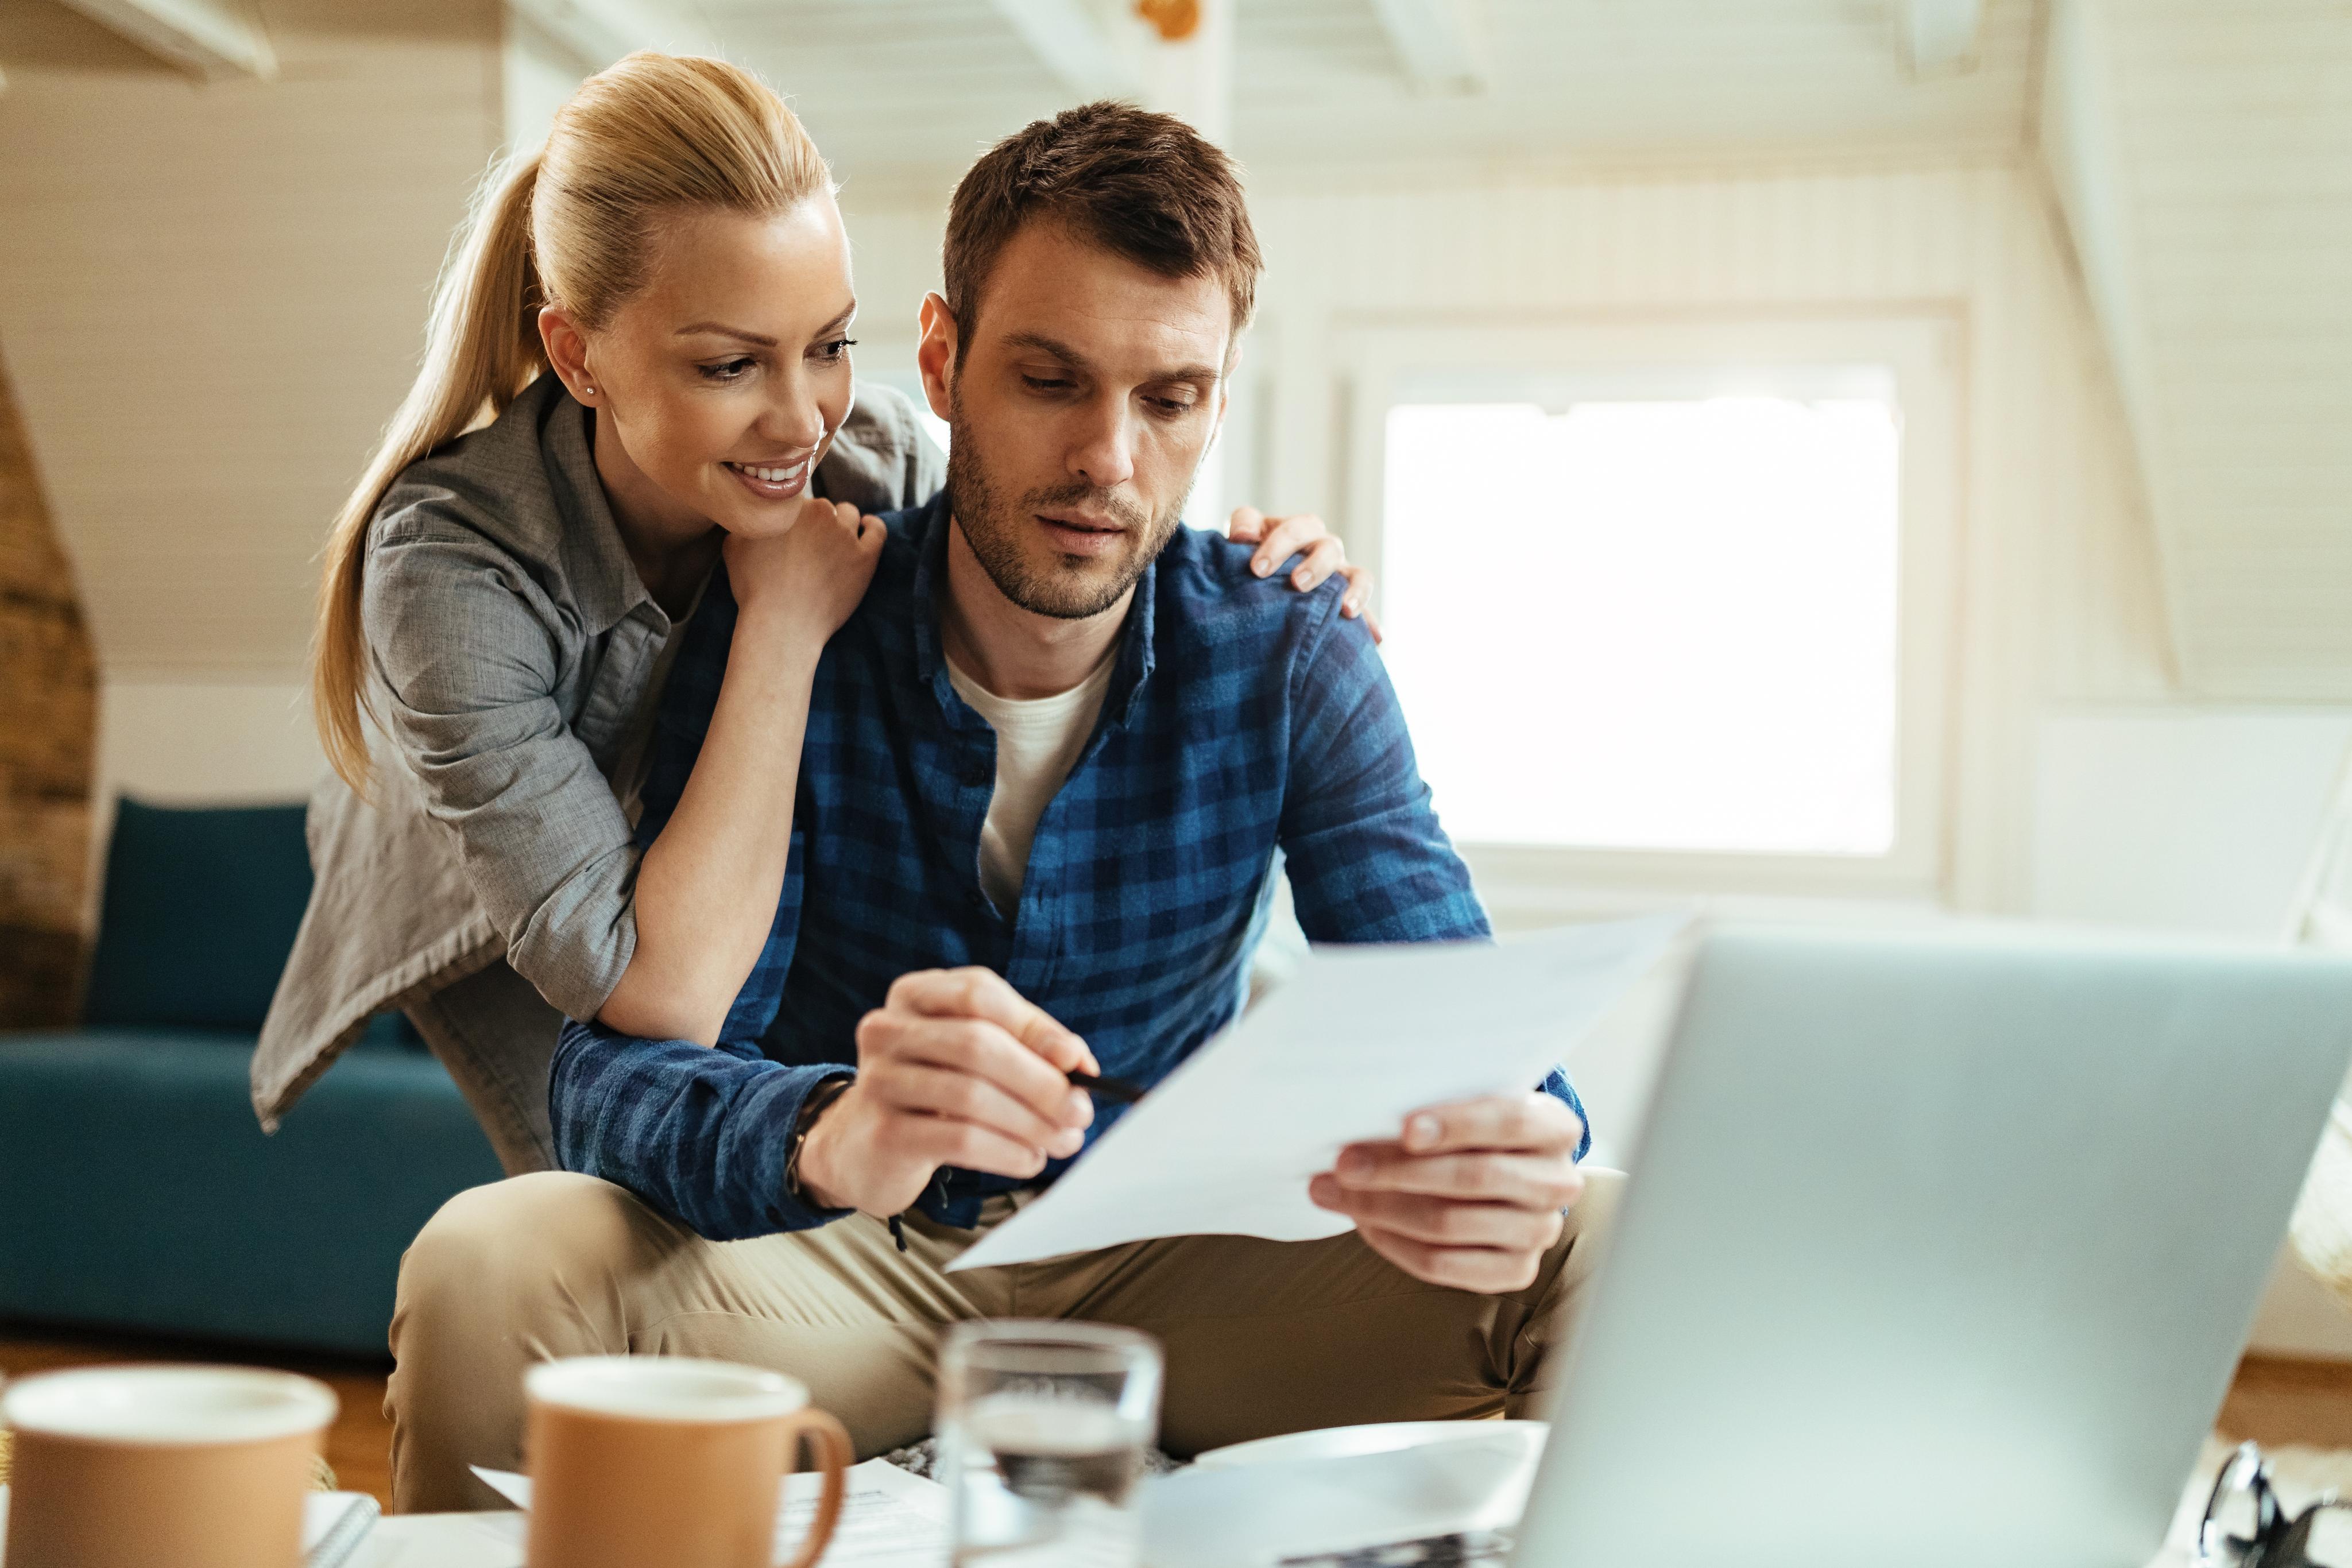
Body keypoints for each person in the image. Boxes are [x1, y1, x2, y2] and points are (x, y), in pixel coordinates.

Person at [386, 100, 1612, 1516]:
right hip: (848, 1253)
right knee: (486, 1260)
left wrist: (1519, 1139)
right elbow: (617, 1073)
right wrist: (829, 1131)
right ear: (942, 361)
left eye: (1168, 399)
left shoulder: (1290, 655)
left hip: (1169, 1257)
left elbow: (1464, 1024)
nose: (1107, 459)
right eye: (1049, 380)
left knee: (1601, 1232)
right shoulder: (790, 609)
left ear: (1218, 401)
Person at [253, 54, 1371, 1172]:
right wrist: (782, 624)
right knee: (609, 1190)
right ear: (577, 355)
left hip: (723, 856)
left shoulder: (865, 460)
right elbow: (665, 992)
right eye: (733, 364)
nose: (801, 423)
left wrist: (1262, 592)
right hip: (503, 918)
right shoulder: (452, 573)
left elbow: (1033, 583)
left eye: (828, 344)